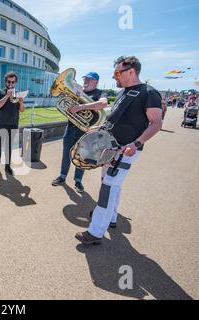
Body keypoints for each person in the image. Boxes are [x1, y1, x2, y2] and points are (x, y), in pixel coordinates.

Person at [75, 56, 163, 245]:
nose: (114, 76)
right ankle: (111, 217)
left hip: (126, 149)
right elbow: (116, 119)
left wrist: (136, 144)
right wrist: (99, 129)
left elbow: (156, 123)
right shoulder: (124, 92)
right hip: (110, 147)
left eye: (117, 72)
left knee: (108, 187)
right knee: (110, 184)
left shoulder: (149, 93)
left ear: (131, 71)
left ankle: (96, 232)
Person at [52, 72, 108, 193]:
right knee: (66, 154)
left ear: (96, 81)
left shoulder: (100, 93)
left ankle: (78, 181)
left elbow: (103, 104)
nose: (86, 81)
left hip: (86, 131)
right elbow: (68, 106)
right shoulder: (78, 91)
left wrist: (81, 107)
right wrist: (71, 107)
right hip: (71, 127)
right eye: (85, 79)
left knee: (82, 156)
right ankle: (62, 177)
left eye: (89, 79)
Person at [0, 72, 26, 175]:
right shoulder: (0, 92)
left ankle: (7, 166)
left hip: (13, 124)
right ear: (5, 82)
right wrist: (7, 95)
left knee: (9, 146)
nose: (11, 84)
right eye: (9, 81)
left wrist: (21, 102)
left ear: (15, 82)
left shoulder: (18, 93)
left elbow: (22, 110)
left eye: (13, 82)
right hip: (1, 124)